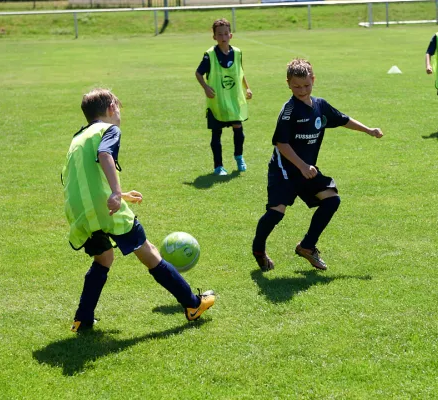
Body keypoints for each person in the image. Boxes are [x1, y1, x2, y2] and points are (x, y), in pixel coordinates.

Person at [62, 88, 215, 332]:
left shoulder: (77, 138)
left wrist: (120, 194)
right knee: (149, 251)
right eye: (118, 109)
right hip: (106, 210)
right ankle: (193, 304)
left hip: (79, 210)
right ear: (111, 108)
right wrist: (115, 192)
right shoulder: (108, 130)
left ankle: (82, 319)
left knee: (103, 258)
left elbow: (81, 177)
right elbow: (104, 155)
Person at [251, 58, 383, 272]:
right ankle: (258, 250)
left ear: (313, 80)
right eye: (296, 86)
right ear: (288, 83)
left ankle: (307, 246)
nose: (302, 90)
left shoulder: (320, 106)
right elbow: (281, 143)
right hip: (284, 171)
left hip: (306, 170)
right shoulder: (289, 111)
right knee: (276, 212)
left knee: (331, 200)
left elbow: (343, 119)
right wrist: (302, 166)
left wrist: (368, 130)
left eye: (306, 85)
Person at [195, 18, 253, 176]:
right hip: (217, 102)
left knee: (238, 129)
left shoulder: (237, 53)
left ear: (230, 35)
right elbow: (198, 73)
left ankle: (239, 157)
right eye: (219, 34)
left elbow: (240, 72)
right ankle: (218, 166)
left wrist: (247, 88)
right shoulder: (210, 55)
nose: (223, 37)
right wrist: (206, 87)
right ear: (214, 37)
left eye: (226, 33)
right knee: (216, 133)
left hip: (234, 101)